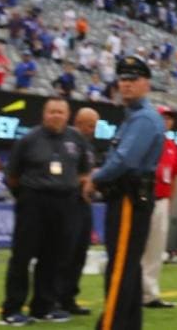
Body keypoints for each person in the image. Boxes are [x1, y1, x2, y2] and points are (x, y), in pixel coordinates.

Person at [87, 56, 166, 330]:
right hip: (128, 197)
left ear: (147, 84)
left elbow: (124, 161)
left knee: (120, 268)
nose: (126, 84)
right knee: (128, 268)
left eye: (133, 79)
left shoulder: (143, 118)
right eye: (122, 79)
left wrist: (95, 178)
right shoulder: (134, 117)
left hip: (129, 198)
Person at [1, 98, 91, 326]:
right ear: (44, 114)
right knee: (22, 256)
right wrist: (26, 197)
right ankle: (12, 308)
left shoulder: (76, 139)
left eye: (60, 112)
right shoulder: (28, 139)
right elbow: (12, 176)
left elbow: (83, 171)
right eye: (52, 111)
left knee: (54, 257)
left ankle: (43, 306)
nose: (56, 115)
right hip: (33, 201)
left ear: (68, 115)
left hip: (65, 203)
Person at [60, 106, 100, 316]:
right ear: (78, 122)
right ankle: (54, 297)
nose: (92, 130)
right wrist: (83, 180)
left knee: (79, 252)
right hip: (68, 202)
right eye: (89, 125)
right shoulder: (66, 142)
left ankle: (68, 297)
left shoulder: (88, 146)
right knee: (64, 252)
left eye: (94, 126)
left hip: (84, 203)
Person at [142, 107, 177, 309]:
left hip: (161, 200)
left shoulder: (171, 145)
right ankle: (131, 291)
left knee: (156, 249)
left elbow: (174, 176)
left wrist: (169, 201)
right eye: (163, 117)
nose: (167, 121)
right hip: (143, 199)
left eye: (169, 118)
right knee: (139, 247)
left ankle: (149, 294)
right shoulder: (145, 141)